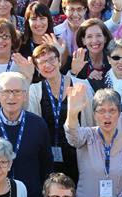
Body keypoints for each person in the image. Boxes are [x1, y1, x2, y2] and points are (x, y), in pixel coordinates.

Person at [29, 44, 94, 182]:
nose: (48, 65)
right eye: (42, 62)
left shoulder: (82, 86)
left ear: (59, 61)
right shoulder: (34, 91)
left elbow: (91, 121)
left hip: (79, 154)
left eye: (51, 59)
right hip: (48, 156)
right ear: (37, 68)